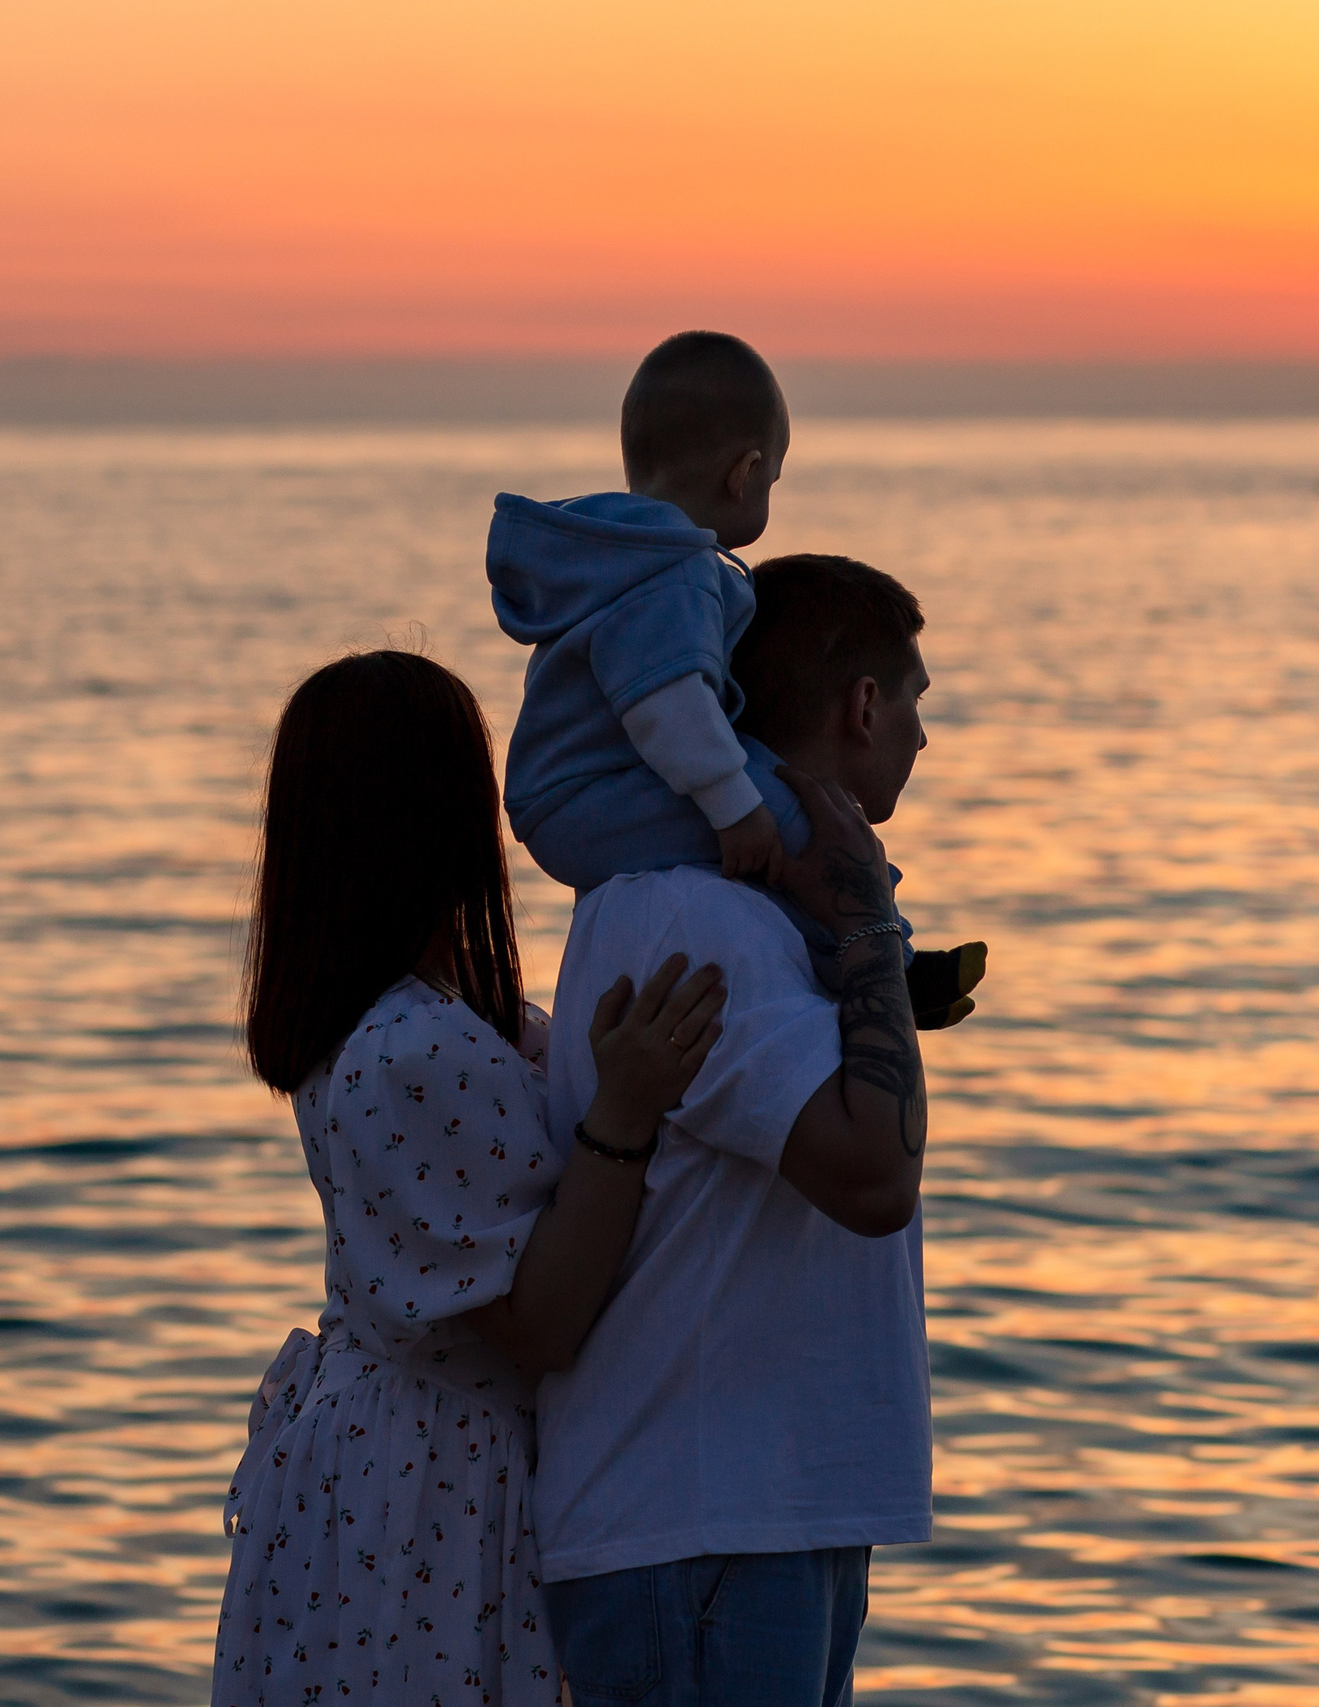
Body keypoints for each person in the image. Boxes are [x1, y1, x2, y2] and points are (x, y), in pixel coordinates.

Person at [211, 649, 730, 1707]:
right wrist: (622, 1113)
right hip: (435, 1493)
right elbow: (535, 1324)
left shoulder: (413, 1023)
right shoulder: (410, 1051)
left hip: (387, 1469)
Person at [529, 554, 940, 1706]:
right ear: (862, 705)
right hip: (700, 1535)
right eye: (914, 700)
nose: (921, 735)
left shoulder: (741, 914)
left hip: (747, 1519)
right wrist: (865, 918)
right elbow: (872, 1176)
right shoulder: (700, 918)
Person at [485, 329, 988, 1029]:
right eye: (773, 481)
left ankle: (862, 948)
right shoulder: (674, 573)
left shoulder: (627, 562)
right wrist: (733, 804)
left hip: (574, 796)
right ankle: (882, 957)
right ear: (744, 472)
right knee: (788, 810)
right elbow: (665, 703)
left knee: (772, 798)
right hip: (590, 794)